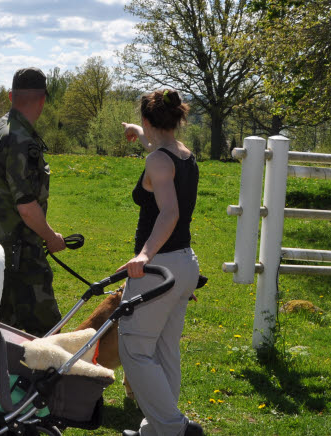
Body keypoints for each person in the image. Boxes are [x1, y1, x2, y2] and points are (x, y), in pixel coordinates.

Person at [117, 89, 204, 436]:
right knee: (166, 349)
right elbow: (159, 150)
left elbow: (169, 212)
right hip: (185, 264)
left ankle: (175, 429)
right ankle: (154, 430)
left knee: (134, 348)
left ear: (149, 119)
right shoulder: (184, 155)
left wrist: (144, 255)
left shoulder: (157, 162)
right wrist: (138, 133)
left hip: (159, 267)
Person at [0, 67, 68, 337]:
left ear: (10, 95)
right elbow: (27, 208)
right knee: (49, 337)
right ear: (43, 100)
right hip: (22, 254)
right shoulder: (21, 140)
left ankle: (3, 379)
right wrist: (51, 237)